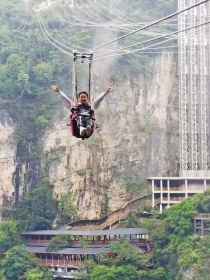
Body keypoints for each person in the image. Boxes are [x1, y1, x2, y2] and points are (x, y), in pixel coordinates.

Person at [50, 85, 115, 137]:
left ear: (87, 98)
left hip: (88, 126)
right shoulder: (74, 106)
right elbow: (65, 99)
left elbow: (99, 99)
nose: (83, 98)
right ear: (79, 99)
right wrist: (59, 91)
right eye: (81, 97)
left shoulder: (91, 106)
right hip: (77, 127)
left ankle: (88, 128)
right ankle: (81, 128)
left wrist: (106, 92)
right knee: (80, 116)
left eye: (85, 97)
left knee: (88, 117)